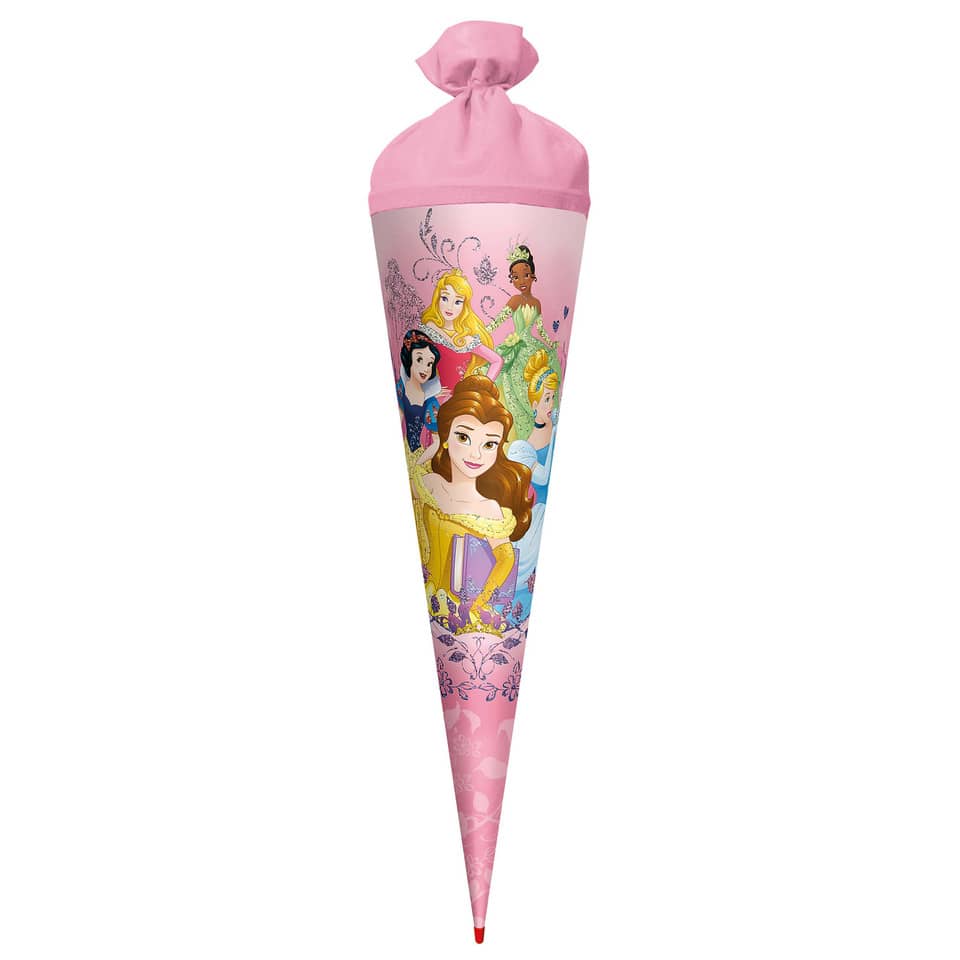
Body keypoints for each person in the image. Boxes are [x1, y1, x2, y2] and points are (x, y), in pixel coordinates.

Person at [410, 376, 532, 628]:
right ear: (446, 436)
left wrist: (477, 604)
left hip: (459, 612)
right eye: (464, 437)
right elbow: (413, 471)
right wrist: (432, 444)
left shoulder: (490, 508)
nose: (475, 454)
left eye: (489, 444)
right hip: (427, 600)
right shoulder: (430, 483)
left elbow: (505, 558)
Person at [488, 245, 561, 439]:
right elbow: (498, 321)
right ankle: (521, 431)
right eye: (515, 277)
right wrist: (483, 332)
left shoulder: (537, 303)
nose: (521, 281)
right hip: (517, 346)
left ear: (533, 276)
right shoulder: (515, 300)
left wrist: (550, 344)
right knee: (515, 385)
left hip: (532, 345)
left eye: (525, 275)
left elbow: (541, 329)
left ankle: (541, 428)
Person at [506, 351, 560, 602]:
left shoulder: (549, 430)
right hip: (536, 513)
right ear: (534, 405)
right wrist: (555, 432)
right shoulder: (528, 444)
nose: (551, 405)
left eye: (553, 397)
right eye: (546, 399)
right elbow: (543, 477)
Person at [419, 269, 503, 392]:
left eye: (457, 301)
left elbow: (497, 360)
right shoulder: (429, 329)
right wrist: (429, 391)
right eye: (444, 298)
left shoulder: (466, 338)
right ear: (437, 299)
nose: (450, 307)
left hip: (463, 395)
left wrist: (484, 387)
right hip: (435, 397)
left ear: (464, 306)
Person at [396, 329, 442, 457]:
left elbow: (437, 442)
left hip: (418, 456)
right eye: (419, 359)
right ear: (409, 358)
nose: (425, 369)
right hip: (405, 451)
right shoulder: (401, 387)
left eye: (430, 363)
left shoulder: (431, 404)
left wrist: (418, 462)